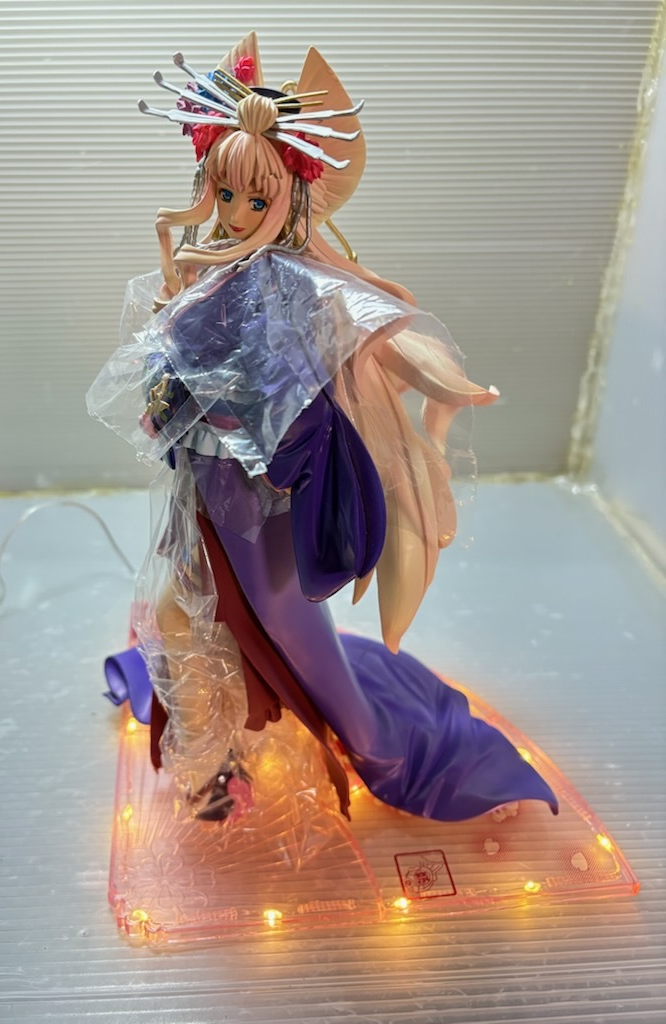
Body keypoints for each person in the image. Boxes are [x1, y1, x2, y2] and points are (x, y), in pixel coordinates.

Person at [88, 34, 558, 824]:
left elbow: (342, 364)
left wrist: (442, 390)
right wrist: (171, 336)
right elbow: (168, 381)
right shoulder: (206, 274)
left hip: (261, 502)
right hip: (202, 492)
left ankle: (326, 754)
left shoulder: (298, 290)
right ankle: (213, 767)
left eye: (256, 200)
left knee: (284, 635)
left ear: (293, 198)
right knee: (181, 614)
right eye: (224, 193)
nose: (236, 214)